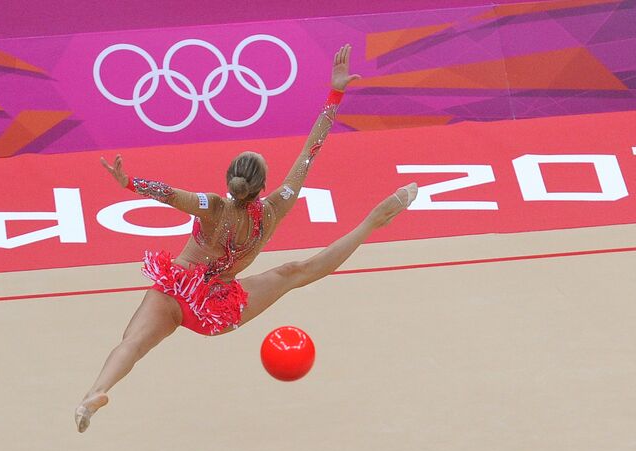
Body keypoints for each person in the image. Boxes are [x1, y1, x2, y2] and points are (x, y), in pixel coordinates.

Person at [76, 44, 418, 431]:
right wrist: (335, 93)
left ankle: (96, 392)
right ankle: (370, 224)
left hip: (176, 291)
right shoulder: (275, 209)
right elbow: (310, 152)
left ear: (230, 182)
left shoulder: (213, 207)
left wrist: (129, 183)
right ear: (263, 186)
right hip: (217, 310)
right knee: (296, 272)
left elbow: (169, 194)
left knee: (132, 344)